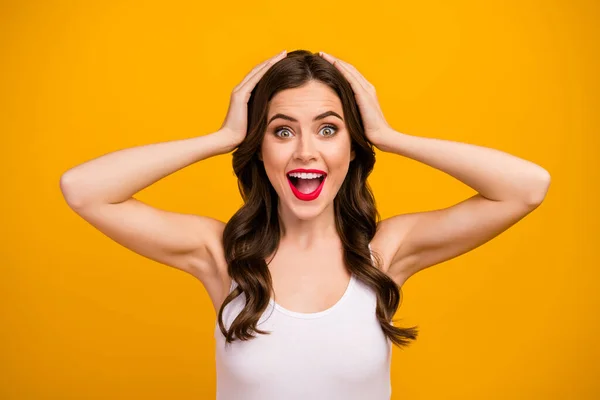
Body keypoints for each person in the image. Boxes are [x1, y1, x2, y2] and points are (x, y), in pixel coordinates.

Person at [59, 49, 551, 399]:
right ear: (260, 147)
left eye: (328, 128)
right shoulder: (222, 256)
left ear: (351, 147)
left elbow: (527, 186)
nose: (306, 151)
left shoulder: (387, 252)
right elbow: (83, 189)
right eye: (282, 131)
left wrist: (386, 134)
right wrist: (224, 135)